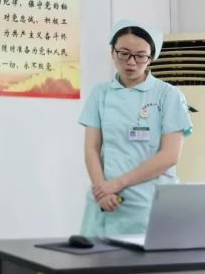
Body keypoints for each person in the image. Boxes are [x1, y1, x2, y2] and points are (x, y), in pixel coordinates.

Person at [78, 19, 193, 237]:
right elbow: (91, 149)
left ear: (151, 57)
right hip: (105, 201)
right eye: (124, 53)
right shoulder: (100, 93)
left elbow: (170, 156)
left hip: (148, 203)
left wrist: (116, 184)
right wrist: (102, 190)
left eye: (140, 56)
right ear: (112, 52)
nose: (131, 62)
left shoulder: (168, 95)